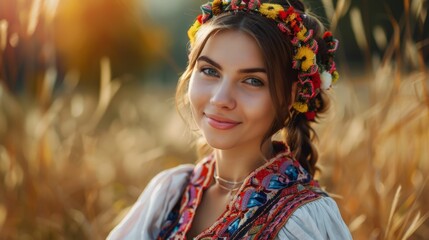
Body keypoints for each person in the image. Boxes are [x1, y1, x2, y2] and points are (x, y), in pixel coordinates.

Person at [108, 0, 352, 239]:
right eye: (210, 71)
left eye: (253, 81)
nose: (220, 98)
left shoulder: (303, 218)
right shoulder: (169, 195)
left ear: (291, 96)